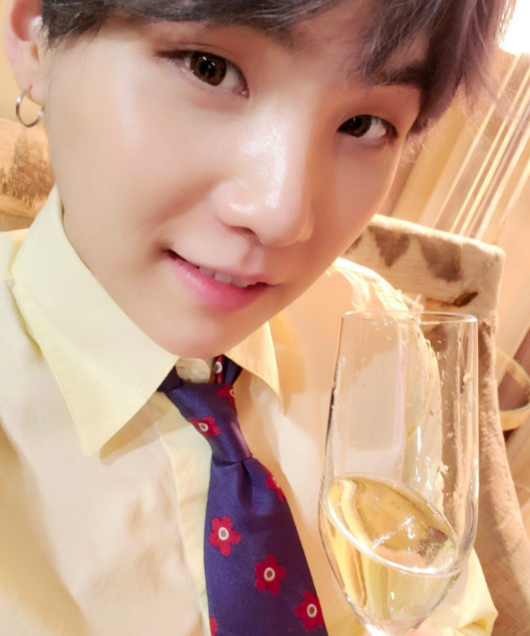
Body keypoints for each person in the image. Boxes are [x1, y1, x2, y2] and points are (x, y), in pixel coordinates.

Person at [0, 0, 511, 634]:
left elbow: (448, 617)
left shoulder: (376, 336)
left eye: (364, 125)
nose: (282, 214)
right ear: (37, 32)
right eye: (209, 67)